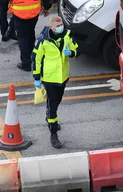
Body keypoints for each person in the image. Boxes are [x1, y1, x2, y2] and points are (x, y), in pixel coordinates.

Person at [32, 16, 80, 148]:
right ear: (51, 27)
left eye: (61, 25)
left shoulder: (67, 36)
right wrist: (36, 78)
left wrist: (71, 53)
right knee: (53, 106)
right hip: (49, 79)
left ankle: (49, 114)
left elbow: (77, 50)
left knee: (57, 101)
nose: (60, 28)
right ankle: (53, 134)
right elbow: (35, 58)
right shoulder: (43, 40)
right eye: (57, 26)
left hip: (62, 77)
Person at [8, 0, 53, 71]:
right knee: (31, 32)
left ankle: (26, 64)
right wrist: (46, 7)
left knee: (23, 38)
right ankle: (34, 55)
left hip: (19, 11)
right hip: (34, 11)